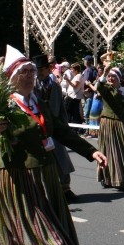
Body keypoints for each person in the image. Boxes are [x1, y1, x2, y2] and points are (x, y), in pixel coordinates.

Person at [0, 46, 107, 245]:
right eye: (23, 72)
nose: (28, 76)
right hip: (17, 177)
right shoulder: (2, 105)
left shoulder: (38, 101)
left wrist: (91, 150)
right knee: (43, 234)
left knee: (42, 230)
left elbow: (61, 130)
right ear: (11, 77)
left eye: (31, 71)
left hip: (46, 175)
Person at [87, 66, 124, 191]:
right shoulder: (106, 88)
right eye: (109, 76)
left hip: (123, 122)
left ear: (118, 78)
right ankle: (109, 179)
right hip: (109, 122)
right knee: (109, 150)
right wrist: (104, 73)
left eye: (113, 76)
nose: (110, 78)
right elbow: (98, 86)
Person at [33, 55, 78, 202]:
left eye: (41, 69)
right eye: (37, 70)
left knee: (61, 157)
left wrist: (64, 126)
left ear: (48, 69)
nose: (39, 72)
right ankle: (43, 191)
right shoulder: (32, 86)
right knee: (41, 160)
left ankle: (66, 188)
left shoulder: (55, 86)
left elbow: (61, 108)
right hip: (39, 127)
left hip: (55, 126)